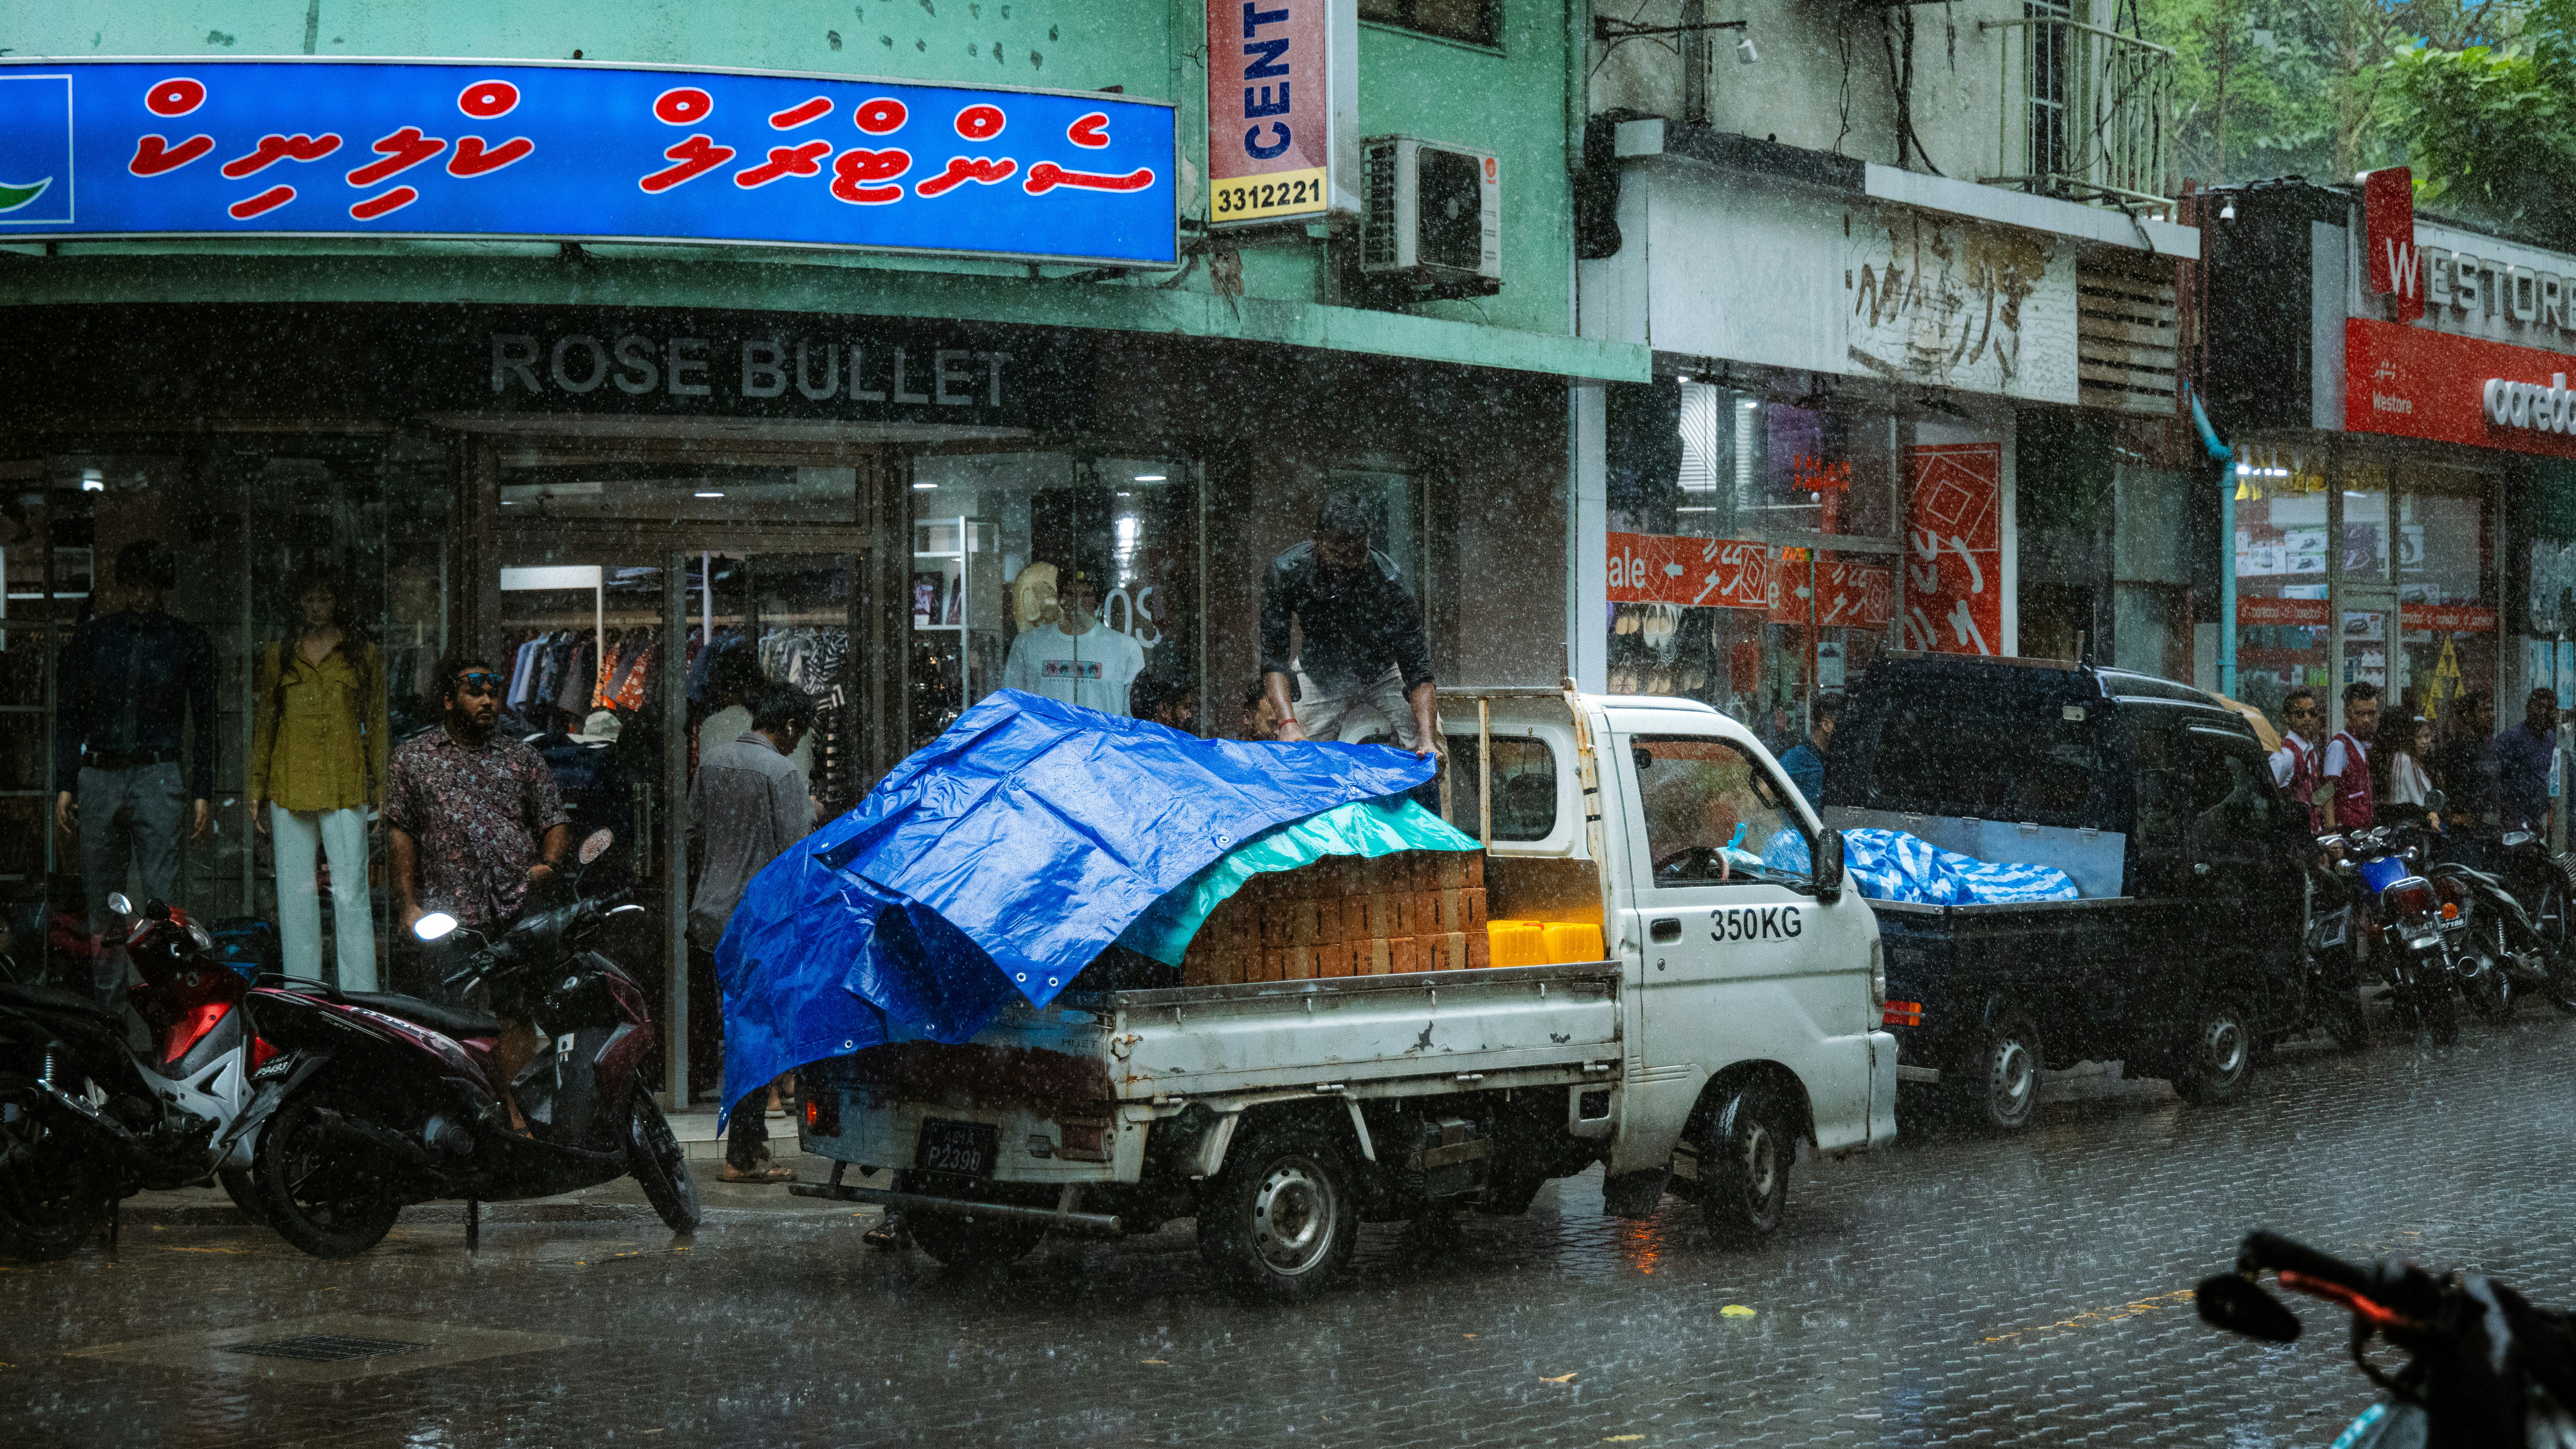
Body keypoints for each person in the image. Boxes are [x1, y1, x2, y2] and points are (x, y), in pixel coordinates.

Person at [383, 652, 572, 1130]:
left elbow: (554, 819)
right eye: (475, 691)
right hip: (448, 913)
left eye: (493, 691)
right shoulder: (414, 759)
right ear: (449, 699)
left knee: (516, 1014)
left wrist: (548, 865)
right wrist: (407, 905)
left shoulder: (521, 756)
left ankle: (516, 1111)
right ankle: (467, 1115)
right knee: (452, 1022)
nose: (488, 700)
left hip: (514, 905)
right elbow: (400, 833)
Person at [53, 539, 218, 1003]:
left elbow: (205, 723)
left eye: (149, 586)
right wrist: (66, 781)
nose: (141, 595)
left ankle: (165, 1007)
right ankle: (111, 1012)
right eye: (134, 585)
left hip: (156, 772)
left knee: (162, 907)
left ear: (161, 587)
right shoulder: (96, 638)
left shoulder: (186, 641)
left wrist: (202, 787)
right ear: (125, 586)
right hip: (104, 771)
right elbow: (70, 715)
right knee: (104, 902)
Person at [691, 683, 817, 1185]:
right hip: (759, 919)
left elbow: (694, 831)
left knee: (734, 1029)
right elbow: (794, 853)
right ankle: (743, 1155)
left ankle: (748, 1147)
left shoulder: (713, 762)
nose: (796, 744)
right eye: (798, 734)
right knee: (756, 1036)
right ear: (788, 728)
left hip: (712, 913)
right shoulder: (782, 772)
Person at [250, 567, 388, 991]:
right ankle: (302, 996)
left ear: (339, 604)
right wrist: (256, 788)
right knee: (295, 899)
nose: (316, 608)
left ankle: (363, 999)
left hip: (346, 784)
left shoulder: (362, 653)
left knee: (351, 895)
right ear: (298, 604)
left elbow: (378, 724)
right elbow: (267, 723)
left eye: (325, 599)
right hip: (288, 782)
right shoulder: (281, 653)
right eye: (309, 599)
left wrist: (382, 789)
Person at [1260, 493, 1438, 755]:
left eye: (1359, 552)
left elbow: (1419, 671)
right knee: (1296, 752)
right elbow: (1273, 659)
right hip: (1320, 673)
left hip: (1383, 671)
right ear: (1317, 541)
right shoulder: (1287, 572)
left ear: (1369, 541)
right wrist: (1288, 724)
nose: (1352, 562)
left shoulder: (1391, 583)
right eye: (1339, 554)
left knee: (1432, 752)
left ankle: (1432, 777)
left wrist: (1428, 741)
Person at [1001, 562, 1146, 716]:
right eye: (1071, 594)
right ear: (1061, 598)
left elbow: (1131, 718)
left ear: (1098, 600)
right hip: (1049, 740)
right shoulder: (1028, 644)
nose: (1078, 602)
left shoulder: (1126, 648)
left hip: (1101, 739)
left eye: (1087, 595)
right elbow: (1012, 709)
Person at [2490, 687, 2560, 836]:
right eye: (2539, 706)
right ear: (2529, 708)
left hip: (2536, 818)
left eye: (2549, 708)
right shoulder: (2512, 738)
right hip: (2513, 819)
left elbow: (2540, 775)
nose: (2543, 712)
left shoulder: (2550, 738)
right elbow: (2496, 780)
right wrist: (2511, 819)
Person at [2320, 681, 2380, 832]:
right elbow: (2327, 794)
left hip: (2361, 832)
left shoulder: (2359, 743)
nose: (2367, 720)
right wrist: (2332, 835)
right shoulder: (2339, 746)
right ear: (2347, 713)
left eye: (2371, 713)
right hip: (2346, 832)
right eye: (2361, 714)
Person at [2269, 687, 2327, 833]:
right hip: (2293, 836)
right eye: (2301, 714)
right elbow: (2268, 796)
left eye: (2312, 713)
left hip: (2311, 834)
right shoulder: (2285, 754)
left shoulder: (2311, 752)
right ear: (2287, 719)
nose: (2308, 718)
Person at [1776, 695, 1840, 806]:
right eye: (1843, 724)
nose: (1848, 730)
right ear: (1826, 725)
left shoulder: (1831, 757)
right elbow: (1765, 790)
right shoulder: (1800, 757)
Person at [2383, 714, 2441, 831]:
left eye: (2427, 736)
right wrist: (2427, 814)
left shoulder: (2426, 762)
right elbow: (2405, 801)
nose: (2425, 742)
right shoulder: (2403, 760)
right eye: (2419, 737)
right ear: (2410, 739)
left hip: (2423, 825)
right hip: (2407, 826)